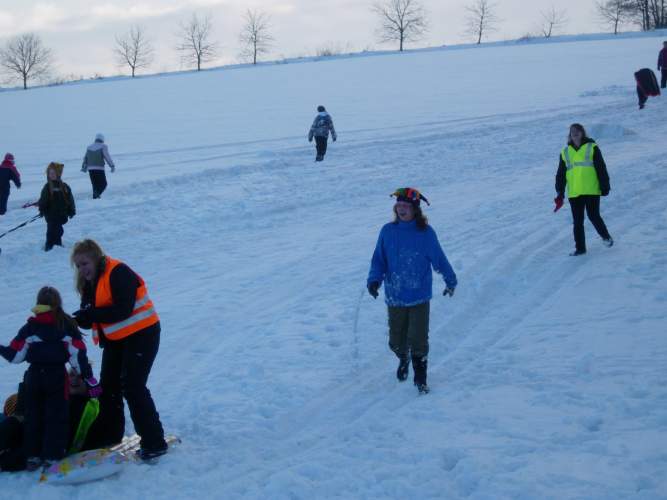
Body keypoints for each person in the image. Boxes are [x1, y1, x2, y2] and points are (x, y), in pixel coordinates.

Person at [70, 239, 167, 460]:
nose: (82, 269)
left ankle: (154, 442)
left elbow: (123, 309)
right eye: (78, 265)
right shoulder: (89, 283)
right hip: (116, 339)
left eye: (85, 263)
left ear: (96, 259)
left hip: (142, 335)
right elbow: (92, 316)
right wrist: (76, 320)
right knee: (109, 387)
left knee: (132, 386)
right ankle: (109, 435)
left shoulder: (118, 272)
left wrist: (90, 315)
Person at [367, 188, 457, 394]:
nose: (401, 209)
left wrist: (450, 280)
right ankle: (403, 357)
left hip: (419, 296)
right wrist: (374, 280)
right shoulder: (388, 232)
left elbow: (439, 259)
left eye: (406, 206)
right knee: (395, 342)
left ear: (415, 209)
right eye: (399, 205)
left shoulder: (425, 233)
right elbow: (379, 259)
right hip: (395, 295)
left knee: (418, 339)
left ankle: (420, 378)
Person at [0, 287, 100, 471]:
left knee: (33, 415)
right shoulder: (65, 326)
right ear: (58, 303)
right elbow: (77, 356)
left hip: (34, 377)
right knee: (56, 416)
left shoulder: (30, 328)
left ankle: (32, 455)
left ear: (38, 304)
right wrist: (88, 377)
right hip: (56, 377)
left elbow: (15, 356)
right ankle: (52, 456)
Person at [554, 124, 613, 256]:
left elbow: (601, 168)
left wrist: (605, 185)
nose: (574, 133)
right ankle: (580, 249)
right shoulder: (565, 152)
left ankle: (606, 237)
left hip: (591, 189)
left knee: (593, 216)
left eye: (577, 131)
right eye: (572, 132)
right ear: (570, 135)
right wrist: (560, 192)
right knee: (577, 221)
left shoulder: (592, 147)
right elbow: (560, 174)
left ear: (582, 133)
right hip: (574, 192)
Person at [38, 162, 76, 251]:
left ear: (58, 174)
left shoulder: (64, 186)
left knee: (58, 230)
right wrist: (42, 209)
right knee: (51, 230)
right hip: (50, 214)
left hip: (62, 214)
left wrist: (72, 210)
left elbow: (70, 199)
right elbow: (43, 199)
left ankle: (57, 244)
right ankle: (49, 245)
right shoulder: (47, 187)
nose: (51, 175)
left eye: (53, 173)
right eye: (50, 173)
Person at [81, 133, 115, 199]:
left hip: (90, 169)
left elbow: (86, 157)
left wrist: (84, 167)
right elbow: (107, 156)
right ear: (102, 139)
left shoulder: (89, 147)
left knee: (95, 185)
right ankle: (97, 196)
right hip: (99, 168)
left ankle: (95, 198)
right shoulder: (103, 146)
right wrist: (112, 165)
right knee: (104, 184)